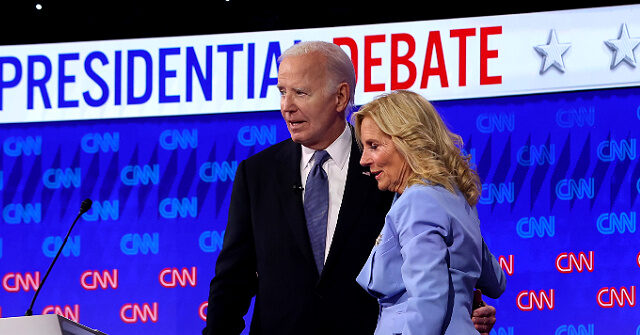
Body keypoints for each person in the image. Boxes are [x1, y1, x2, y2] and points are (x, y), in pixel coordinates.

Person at [203, 41, 498, 335]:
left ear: (341, 96)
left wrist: (465, 310)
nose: (286, 107)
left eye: (300, 93)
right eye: (282, 92)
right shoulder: (257, 173)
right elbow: (233, 279)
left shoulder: (388, 167)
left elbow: (442, 252)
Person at [353, 89, 507, 335]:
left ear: (408, 142)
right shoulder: (456, 197)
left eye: (373, 146)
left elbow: (428, 300)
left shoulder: (417, 201)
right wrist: (464, 301)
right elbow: (496, 281)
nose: (363, 159)